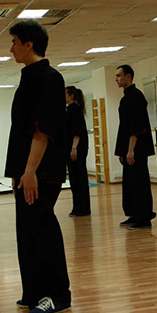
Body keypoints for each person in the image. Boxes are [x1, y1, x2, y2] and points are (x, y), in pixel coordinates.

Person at [5, 19, 71, 313]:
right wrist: (19, 172)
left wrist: (31, 170)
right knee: (28, 230)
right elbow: (21, 129)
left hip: (41, 171)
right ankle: (34, 291)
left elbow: (43, 130)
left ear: (28, 44)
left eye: (14, 43)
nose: (11, 49)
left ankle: (57, 296)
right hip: (26, 170)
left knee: (43, 229)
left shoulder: (50, 78)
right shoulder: (29, 77)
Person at [114, 65, 155, 230]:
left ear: (128, 76)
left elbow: (136, 127)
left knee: (139, 183)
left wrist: (131, 150)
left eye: (119, 75)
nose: (116, 79)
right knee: (130, 184)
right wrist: (122, 151)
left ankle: (144, 217)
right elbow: (124, 127)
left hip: (137, 148)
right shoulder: (126, 98)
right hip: (128, 148)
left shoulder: (136, 97)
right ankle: (134, 214)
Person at [65, 85, 91, 217]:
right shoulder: (70, 109)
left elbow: (77, 132)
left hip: (76, 149)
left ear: (71, 96)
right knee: (75, 179)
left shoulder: (74, 110)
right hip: (73, 148)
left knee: (79, 179)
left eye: (65, 94)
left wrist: (74, 148)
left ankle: (82, 208)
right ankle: (78, 207)